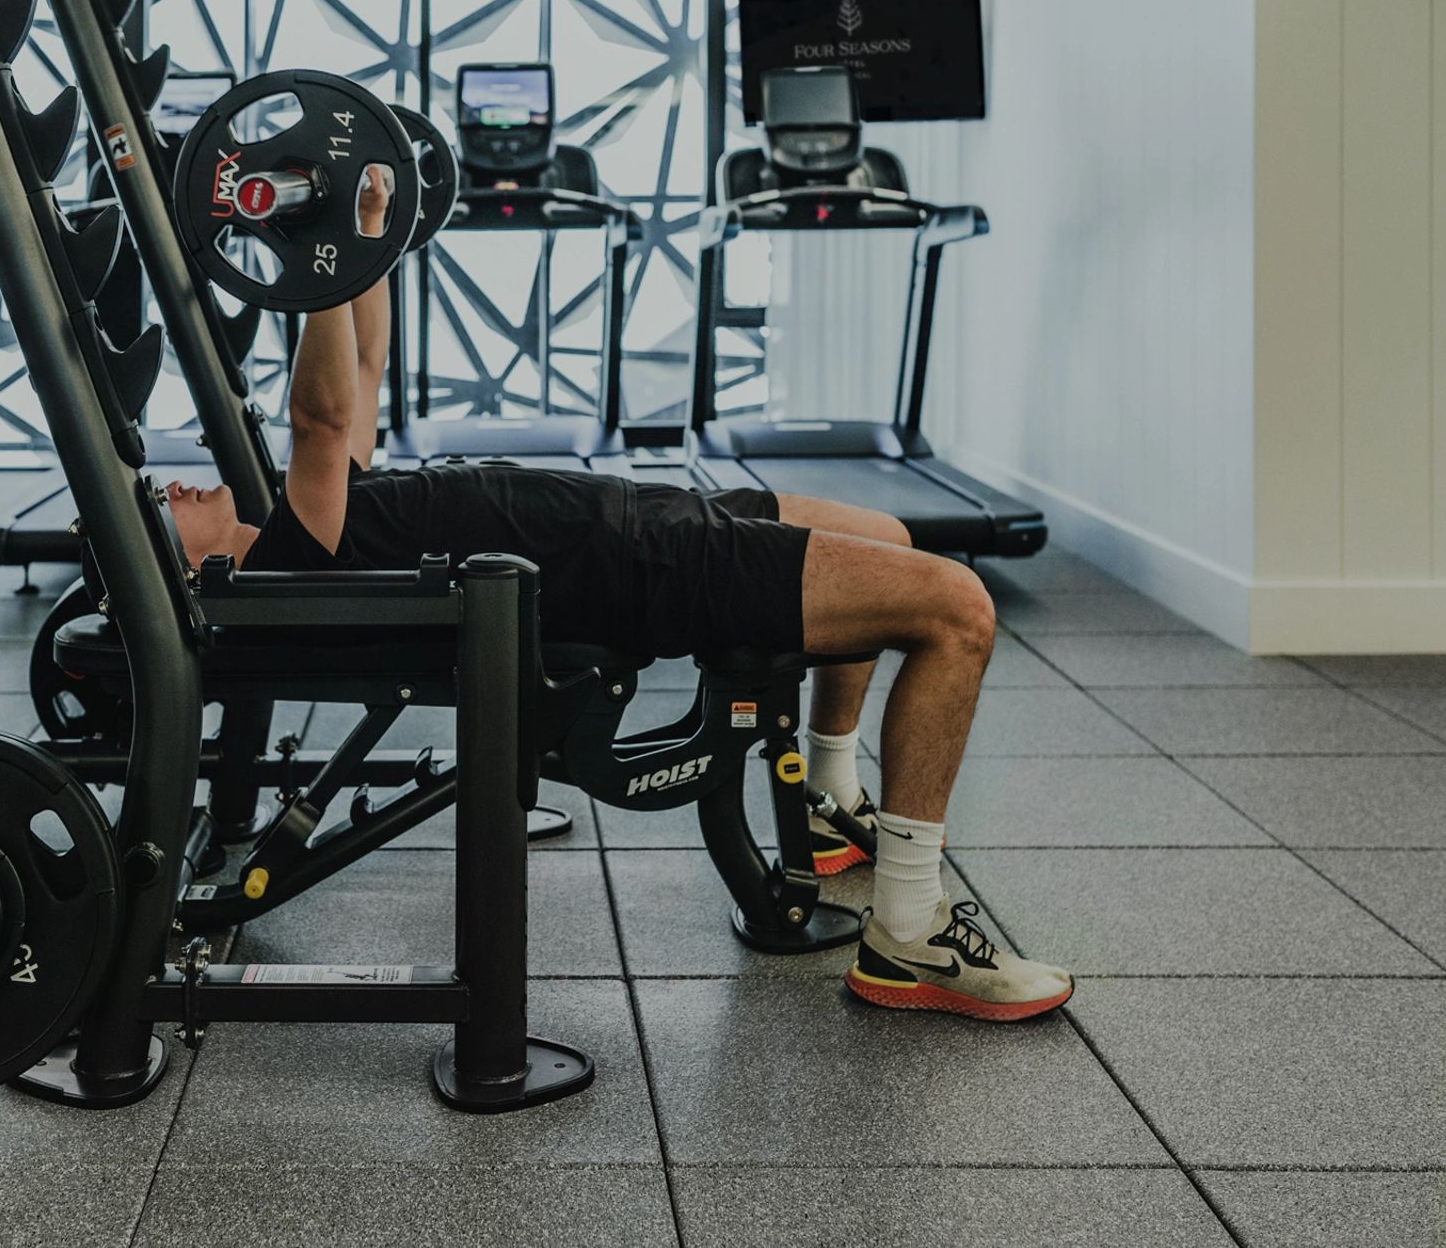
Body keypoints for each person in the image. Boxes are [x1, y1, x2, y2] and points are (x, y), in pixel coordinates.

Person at [165, 176, 1071, 1022]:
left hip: (652, 515)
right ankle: (908, 928)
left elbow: (364, 366)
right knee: (958, 607)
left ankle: (829, 794)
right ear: (189, 570)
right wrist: (321, 250)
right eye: (158, 511)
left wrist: (364, 227)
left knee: (890, 538)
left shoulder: (313, 517)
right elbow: (320, 416)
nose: (170, 489)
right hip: (647, 565)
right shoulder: (294, 554)